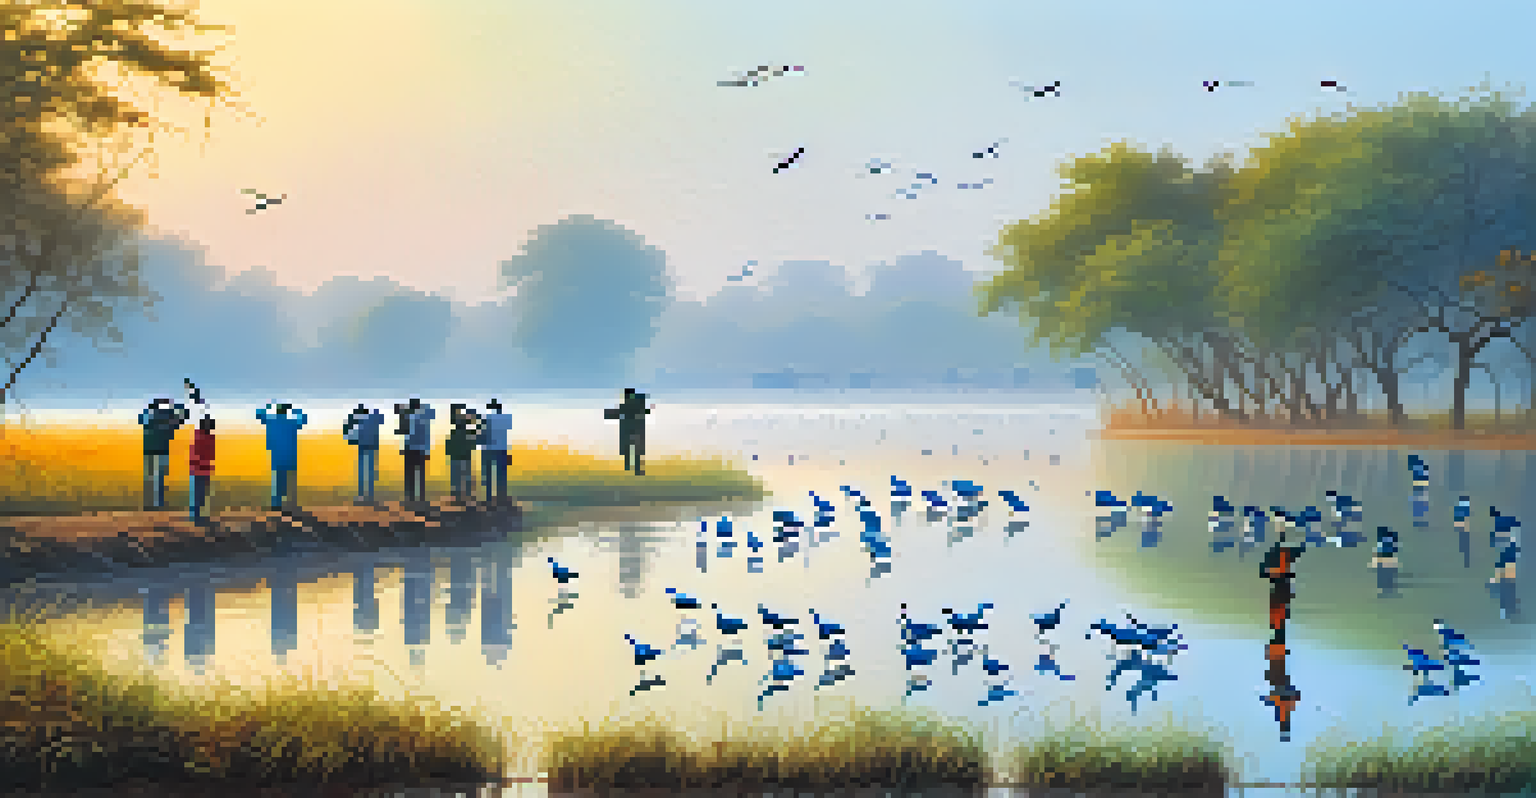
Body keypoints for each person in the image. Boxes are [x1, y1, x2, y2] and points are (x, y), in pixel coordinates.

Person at [137, 397, 190, 510]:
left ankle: (150, 504)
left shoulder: (153, 416)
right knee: (159, 478)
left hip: (149, 450)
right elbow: (184, 414)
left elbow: (141, 418)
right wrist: (172, 405)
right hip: (162, 450)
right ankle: (158, 504)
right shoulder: (169, 417)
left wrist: (154, 405)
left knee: (151, 477)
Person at [256, 402, 308, 511]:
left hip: (277, 455)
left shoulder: (272, 422)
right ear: (286, 413)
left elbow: (258, 414)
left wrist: (268, 406)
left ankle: (276, 504)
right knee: (290, 482)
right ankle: (292, 503)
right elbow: (304, 420)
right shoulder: (291, 423)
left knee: (278, 481)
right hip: (290, 455)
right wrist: (296, 411)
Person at [603, 388, 653, 476]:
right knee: (632, 450)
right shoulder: (634, 405)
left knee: (631, 450)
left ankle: (631, 467)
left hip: (630, 431)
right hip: (633, 430)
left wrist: (608, 414)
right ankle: (632, 468)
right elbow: (645, 411)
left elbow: (614, 414)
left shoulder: (629, 406)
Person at [396, 396, 435, 503]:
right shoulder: (425, 417)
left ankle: (410, 498)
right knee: (420, 475)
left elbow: (404, 432)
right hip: (422, 450)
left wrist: (402, 413)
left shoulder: (409, 417)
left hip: (410, 450)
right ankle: (421, 497)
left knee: (410, 476)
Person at [344, 404, 385, 504]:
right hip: (370, 447)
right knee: (369, 472)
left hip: (364, 447)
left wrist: (352, 418)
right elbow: (381, 419)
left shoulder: (361, 420)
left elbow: (348, 433)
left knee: (363, 473)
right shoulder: (371, 419)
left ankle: (363, 495)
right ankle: (369, 495)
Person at [445, 404, 484, 503]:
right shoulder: (468, 433)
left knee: (457, 479)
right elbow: (479, 434)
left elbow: (448, 446)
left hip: (457, 457)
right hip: (464, 457)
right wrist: (474, 416)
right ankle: (464, 497)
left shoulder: (455, 432)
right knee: (464, 478)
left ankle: (458, 498)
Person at [480, 399, 513, 505]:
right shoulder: (506, 418)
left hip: (488, 449)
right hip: (501, 449)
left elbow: (482, 434)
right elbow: (507, 435)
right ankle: (501, 497)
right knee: (501, 476)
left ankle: (488, 497)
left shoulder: (485, 418)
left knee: (488, 475)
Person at [188, 415, 216, 524]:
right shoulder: (209, 438)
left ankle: (195, 516)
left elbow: (193, 453)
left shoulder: (197, 436)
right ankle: (197, 517)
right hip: (203, 469)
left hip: (196, 470)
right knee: (201, 494)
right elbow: (211, 455)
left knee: (196, 494)